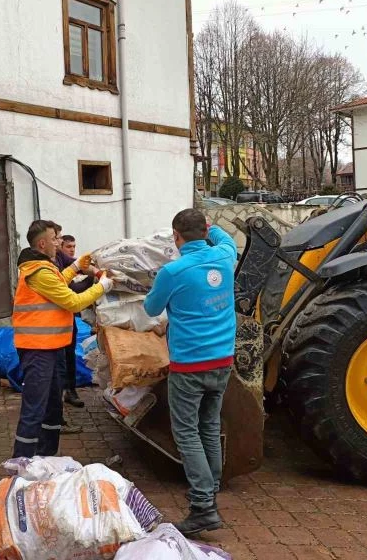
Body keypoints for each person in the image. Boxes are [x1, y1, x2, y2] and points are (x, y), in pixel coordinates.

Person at [143, 208, 236, 537]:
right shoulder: (225, 256)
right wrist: (211, 228)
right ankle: (210, 491)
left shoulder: (173, 271)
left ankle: (203, 507)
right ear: (205, 231)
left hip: (190, 365)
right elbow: (225, 238)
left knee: (186, 433)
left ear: (176, 237)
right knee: (209, 425)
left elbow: (151, 309)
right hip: (223, 360)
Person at [12, 219, 114, 459]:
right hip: (38, 350)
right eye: (55, 238)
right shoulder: (38, 272)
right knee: (35, 407)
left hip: (53, 347)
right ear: (42, 242)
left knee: (52, 406)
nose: (59, 242)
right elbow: (73, 302)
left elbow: (58, 281)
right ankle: (22, 461)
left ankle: (46, 455)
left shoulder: (45, 267)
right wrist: (103, 286)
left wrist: (77, 266)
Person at [51, 229, 94, 409]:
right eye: (58, 238)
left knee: (68, 357)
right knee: (58, 363)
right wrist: (98, 283)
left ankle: (70, 391)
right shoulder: (47, 267)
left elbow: (82, 265)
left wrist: (96, 272)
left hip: (67, 320)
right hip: (53, 325)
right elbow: (73, 293)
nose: (71, 249)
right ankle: (57, 403)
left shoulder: (61, 260)